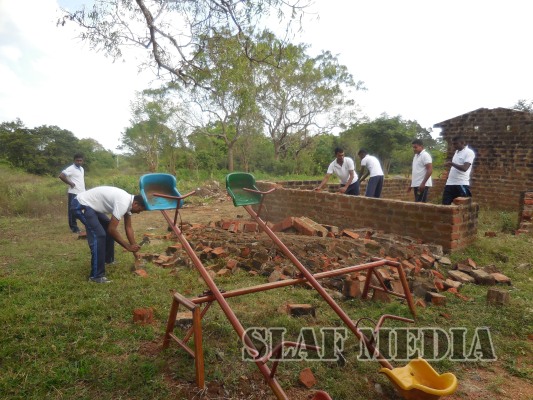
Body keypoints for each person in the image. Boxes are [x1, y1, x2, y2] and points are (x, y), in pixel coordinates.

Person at [71, 186, 146, 283]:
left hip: (92, 206)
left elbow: (128, 227)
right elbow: (111, 230)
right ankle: (96, 276)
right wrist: (127, 246)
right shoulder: (123, 203)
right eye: (140, 209)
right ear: (135, 204)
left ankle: (108, 259)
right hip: (81, 205)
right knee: (99, 235)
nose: (139, 212)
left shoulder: (129, 203)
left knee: (107, 226)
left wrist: (134, 249)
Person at [442, 136, 476, 205]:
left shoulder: (469, 152)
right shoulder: (457, 152)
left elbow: (465, 168)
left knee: (463, 206)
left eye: (456, 144)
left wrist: (451, 163)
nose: (454, 145)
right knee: (445, 205)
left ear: (462, 143)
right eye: (453, 144)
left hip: (461, 183)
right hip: (450, 183)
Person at [59, 153, 86, 233]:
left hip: (82, 192)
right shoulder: (71, 168)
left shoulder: (82, 169)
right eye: (77, 160)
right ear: (74, 161)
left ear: (83, 161)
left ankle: (87, 224)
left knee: (84, 209)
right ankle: (74, 228)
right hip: (73, 192)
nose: (79, 162)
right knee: (72, 211)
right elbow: (61, 176)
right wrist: (70, 183)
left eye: (80, 160)